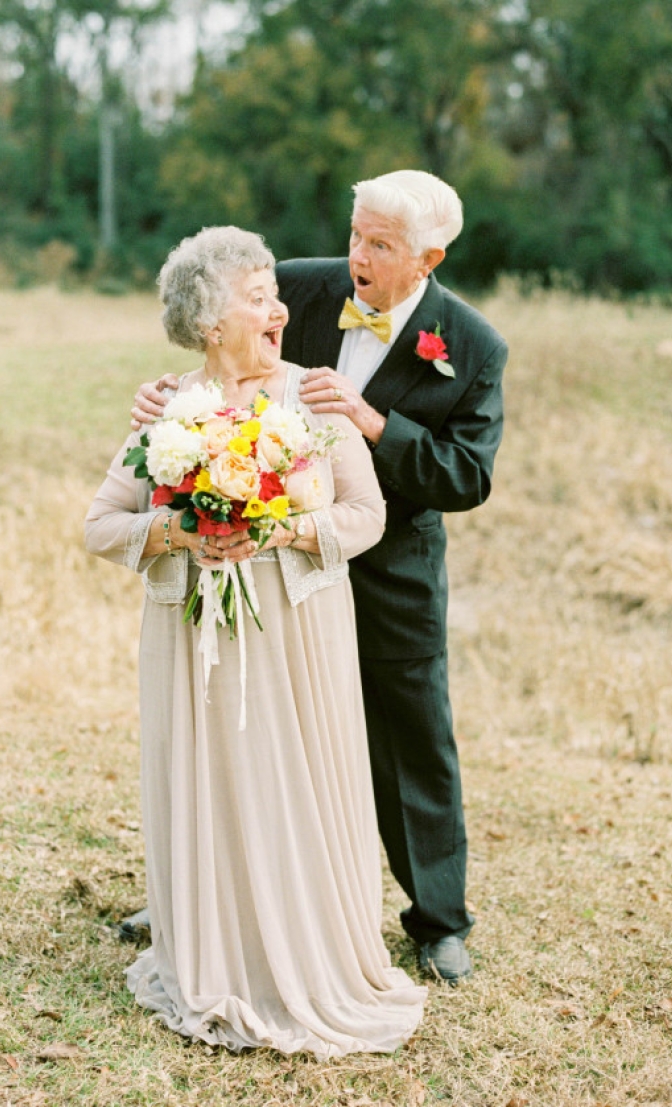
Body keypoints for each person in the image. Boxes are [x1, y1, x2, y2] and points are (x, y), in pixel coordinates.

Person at [130, 170, 508, 984]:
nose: (356, 256)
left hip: (389, 568)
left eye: (379, 245)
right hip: (272, 568)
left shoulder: (472, 346)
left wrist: (373, 422)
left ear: (428, 257)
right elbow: (217, 343)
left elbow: (467, 477)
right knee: (236, 723)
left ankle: (437, 919)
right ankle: (197, 899)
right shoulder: (297, 288)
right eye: (354, 234)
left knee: (412, 744)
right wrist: (166, 400)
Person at [85, 226, 426, 1056]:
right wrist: (177, 528)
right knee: (217, 781)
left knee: (291, 777)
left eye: (277, 292)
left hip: (296, 634)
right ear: (210, 323)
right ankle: (218, 950)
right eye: (258, 295)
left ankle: (307, 958)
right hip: (194, 635)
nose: (278, 309)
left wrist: (275, 530)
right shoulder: (168, 411)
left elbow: (365, 515)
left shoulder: (311, 396)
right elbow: (100, 525)